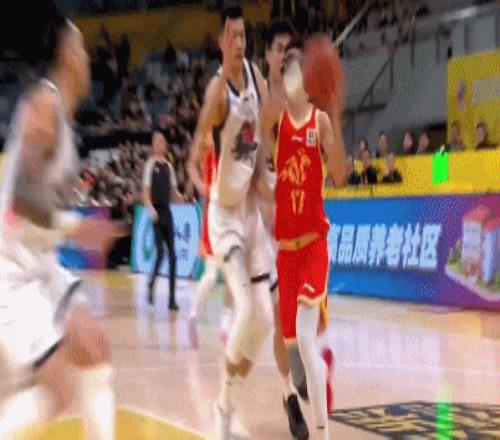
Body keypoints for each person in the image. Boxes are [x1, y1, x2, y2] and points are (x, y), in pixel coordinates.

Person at [0, 18, 120, 440]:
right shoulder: (45, 106)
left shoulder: (62, 118)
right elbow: (23, 199)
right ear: (68, 54)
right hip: (11, 274)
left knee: (95, 352)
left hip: (41, 266)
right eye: (83, 49)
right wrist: (77, 227)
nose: (88, 59)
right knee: (57, 393)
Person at [188, 7, 273, 438]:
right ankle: (222, 405)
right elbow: (197, 144)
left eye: (243, 36)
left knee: (265, 320)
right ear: (222, 42)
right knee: (245, 309)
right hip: (223, 215)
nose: (239, 43)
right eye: (232, 37)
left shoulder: (257, 78)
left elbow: (265, 135)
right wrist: (197, 176)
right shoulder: (218, 91)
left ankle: (228, 396)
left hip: (251, 211)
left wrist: (268, 176)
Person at [261, 40, 347, 440]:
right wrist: (273, 71)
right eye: (289, 73)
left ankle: (323, 433)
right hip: (285, 252)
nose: (293, 80)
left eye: (298, 72)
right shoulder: (277, 122)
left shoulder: (319, 122)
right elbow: (262, 114)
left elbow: (340, 176)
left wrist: (336, 115)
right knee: (292, 341)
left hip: (313, 245)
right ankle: (304, 385)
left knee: (307, 342)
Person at [188, 135, 233, 348]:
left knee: (233, 276)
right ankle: (192, 317)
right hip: (214, 214)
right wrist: (199, 184)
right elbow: (191, 164)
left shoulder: (236, 138)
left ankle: (225, 328)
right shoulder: (208, 138)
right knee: (211, 275)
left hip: (233, 214)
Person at [142, 129, 184, 311]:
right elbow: (145, 193)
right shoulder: (149, 166)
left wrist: (182, 198)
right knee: (160, 253)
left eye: (162, 141)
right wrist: (150, 209)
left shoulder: (169, 166)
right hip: (156, 212)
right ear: (153, 145)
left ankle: (172, 299)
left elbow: (174, 193)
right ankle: (151, 283)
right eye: (157, 141)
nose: (161, 144)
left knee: (173, 256)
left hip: (167, 212)